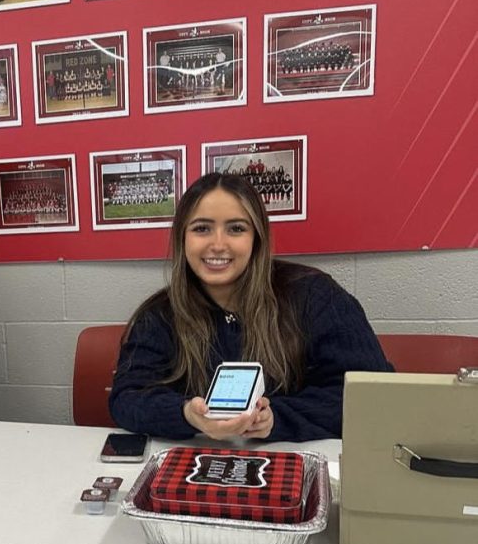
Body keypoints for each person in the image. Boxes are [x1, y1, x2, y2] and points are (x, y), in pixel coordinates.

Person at [109, 173, 392, 441]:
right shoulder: (159, 314)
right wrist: (187, 415)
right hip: (200, 464)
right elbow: (127, 398)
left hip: (294, 461)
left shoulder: (316, 295)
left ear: (257, 238)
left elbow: (371, 395)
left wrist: (275, 420)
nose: (218, 245)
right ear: (183, 239)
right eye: (202, 228)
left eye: (236, 228)